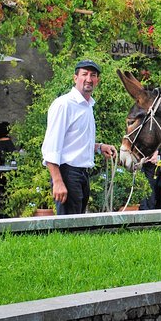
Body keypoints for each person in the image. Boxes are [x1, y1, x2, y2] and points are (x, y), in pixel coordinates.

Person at [41, 59, 117, 215]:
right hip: (68, 174)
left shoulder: (88, 106)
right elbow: (51, 147)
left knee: (79, 226)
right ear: (75, 78)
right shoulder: (64, 105)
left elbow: (74, 141)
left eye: (93, 75)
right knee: (70, 228)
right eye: (84, 74)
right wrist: (58, 181)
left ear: (97, 80)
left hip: (82, 174)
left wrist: (99, 147)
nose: (88, 79)